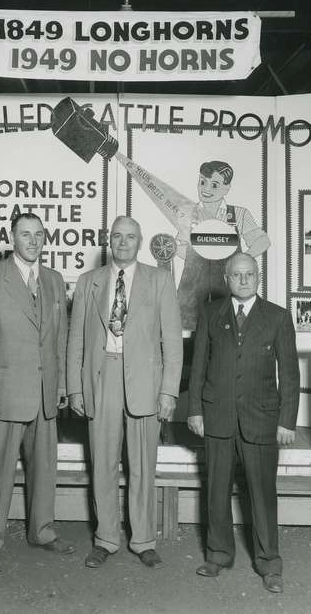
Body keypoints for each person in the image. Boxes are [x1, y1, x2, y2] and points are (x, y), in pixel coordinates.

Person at [67, 216, 183, 568]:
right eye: (117, 236)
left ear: (140, 240)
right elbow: (76, 341)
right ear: (109, 240)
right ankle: (105, 538)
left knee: (143, 465)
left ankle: (143, 539)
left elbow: (173, 343)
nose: (123, 242)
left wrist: (169, 392)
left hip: (145, 383)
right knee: (101, 463)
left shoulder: (160, 281)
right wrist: (75, 387)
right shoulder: (89, 281)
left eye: (130, 236)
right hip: (101, 377)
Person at [0, 212, 74, 573]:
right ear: (12, 238)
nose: (32, 240)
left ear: (45, 238)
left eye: (38, 234)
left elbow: (60, 338)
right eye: (25, 234)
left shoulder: (55, 281)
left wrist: (60, 385)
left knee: (45, 470)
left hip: (44, 395)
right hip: (4, 394)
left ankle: (42, 531)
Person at [187, 252, 299, 592]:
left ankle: (269, 563)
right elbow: (198, 369)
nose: (244, 279)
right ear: (226, 278)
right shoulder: (210, 314)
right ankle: (218, 554)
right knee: (216, 490)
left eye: (249, 274)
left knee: (262, 493)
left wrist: (287, 421)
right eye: (237, 274)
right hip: (217, 417)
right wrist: (194, 410)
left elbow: (290, 375)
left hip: (262, 420)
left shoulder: (277, 317)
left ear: (258, 276)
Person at [175, 160, 270, 329]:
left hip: (227, 287)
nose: (206, 189)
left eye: (214, 185)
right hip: (192, 289)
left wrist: (242, 260)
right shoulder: (188, 214)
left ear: (227, 188)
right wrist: (194, 256)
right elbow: (180, 247)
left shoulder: (238, 214)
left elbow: (263, 241)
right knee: (187, 332)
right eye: (202, 182)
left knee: (229, 333)